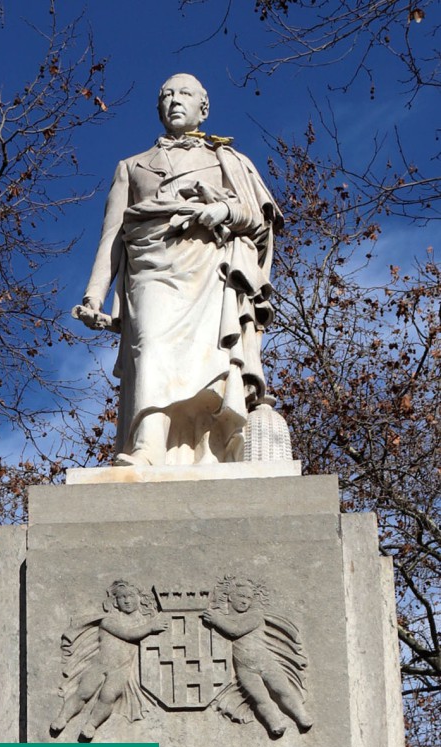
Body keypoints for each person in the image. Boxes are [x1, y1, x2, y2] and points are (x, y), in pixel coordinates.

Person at [75, 74, 283, 466]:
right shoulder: (132, 167)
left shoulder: (228, 160)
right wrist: (93, 295)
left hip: (210, 266)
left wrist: (225, 210)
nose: (174, 100)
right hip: (150, 266)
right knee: (150, 345)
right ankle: (147, 444)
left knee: (213, 359)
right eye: (166, 94)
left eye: (184, 94)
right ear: (158, 108)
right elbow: (111, 237)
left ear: (203, 107)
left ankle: (212, 447)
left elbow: (259, 225)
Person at [50, 580, 167, 740]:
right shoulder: (109, 621)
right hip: (99, 665)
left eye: (131, 596)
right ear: (115, 602)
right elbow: (127, 634)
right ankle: (63, 717)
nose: (127, 600)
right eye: (122, 597)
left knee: (108, 697)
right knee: (83, 692)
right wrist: (150, 628)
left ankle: (91, 724)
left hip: (122, 669)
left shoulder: (143, 622)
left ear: (139, 598)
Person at [203, 577, 312, 736]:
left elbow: (234, 630)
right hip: (244, 668)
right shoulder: (225, 617)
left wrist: (216, 619)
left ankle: (301, 716)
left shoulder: (255, 615)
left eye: (248, 598)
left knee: (282, 690)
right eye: (241, 596)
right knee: (260, 698)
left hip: (265, 663)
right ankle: (275, 723)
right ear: (231, 597)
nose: (244, 601)